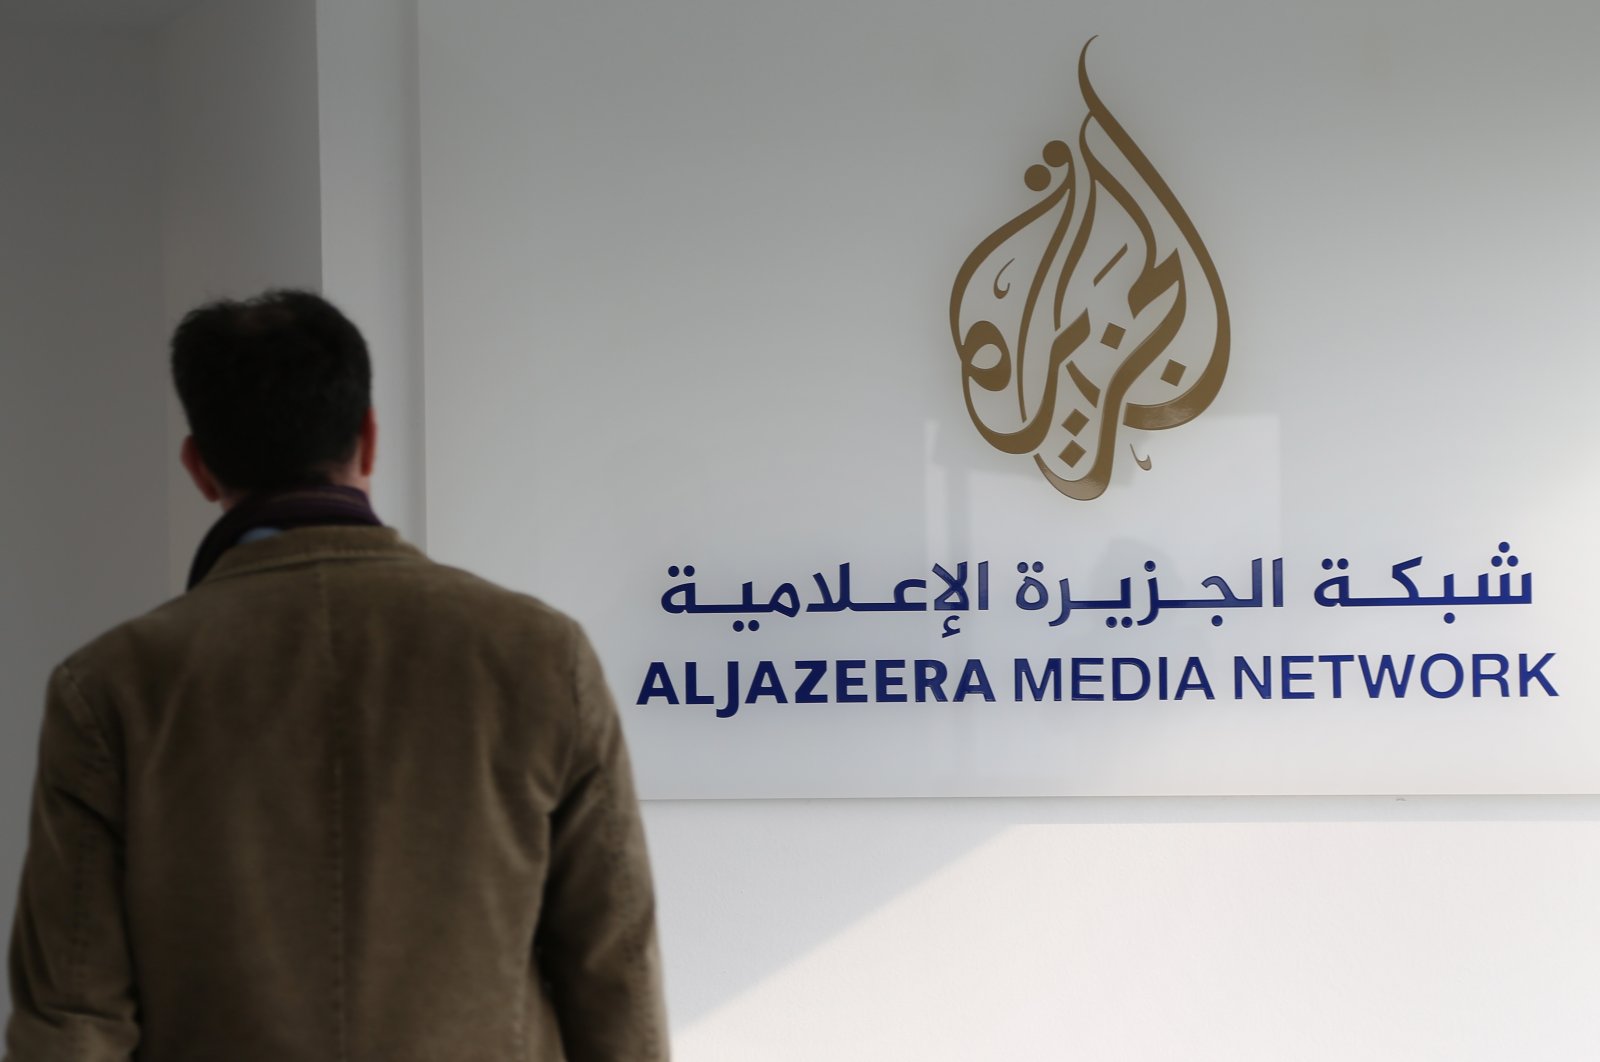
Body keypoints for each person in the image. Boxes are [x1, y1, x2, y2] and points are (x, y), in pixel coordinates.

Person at [3, 289, 668, 1061]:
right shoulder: (543, 656)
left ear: (198, 465)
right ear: (370, 437)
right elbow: (614, 981)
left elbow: (71, 1020)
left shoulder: (110, 687)